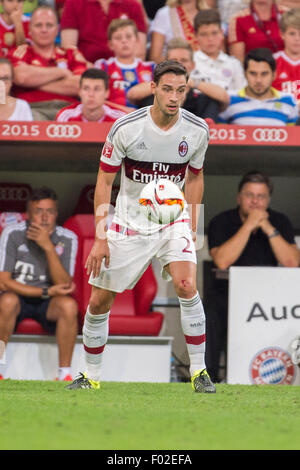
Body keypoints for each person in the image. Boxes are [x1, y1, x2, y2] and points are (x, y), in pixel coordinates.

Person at [66, 60, 216, 393]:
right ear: (153, 88)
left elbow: (196, 176)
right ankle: (89, 375)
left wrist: (192, 223)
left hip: (173, 219)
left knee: (187, 284)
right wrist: (101, 238)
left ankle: (200, 372)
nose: (174, 97)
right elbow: (104, 182)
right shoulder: (126, 127)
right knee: (100, 300)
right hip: (129, 222)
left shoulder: (197, 130)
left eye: (181, 90)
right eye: (167, 89)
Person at [205, 171, 300, 382]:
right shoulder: (221, 221)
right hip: (226, 294)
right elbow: (222, 261)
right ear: (239, 197)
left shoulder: (279, 221)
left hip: (268, 297)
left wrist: (267, 227)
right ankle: (208, 379)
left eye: (261, 197)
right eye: (250, 195)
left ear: (268, 200)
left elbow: (292, 262)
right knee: (209, 313)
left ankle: (273, 376)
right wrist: (249, 225)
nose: (255, 202)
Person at [0, 187, 79, 381]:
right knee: (7, 301)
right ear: (28, 215)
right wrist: (46, 290)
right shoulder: (13, 233)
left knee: (69, 306)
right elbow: (3, 282)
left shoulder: (68, 238)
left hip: (49, 302)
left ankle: (65, 373)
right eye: (38, 211)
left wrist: (48, 247)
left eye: (50, 211)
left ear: (56, 214)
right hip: (17, 297)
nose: (44, 217)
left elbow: (64, 284)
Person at [9, 6, 89, 120]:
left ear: (57, 30)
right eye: (38, 25)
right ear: (29, 30)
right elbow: (21, 77)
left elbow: (80, 86)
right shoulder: (21, 52)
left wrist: (33, 82)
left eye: (49, 25)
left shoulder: (71, 53)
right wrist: (62, 72)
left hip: (70, 109)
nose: (44, 29)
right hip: (32, 109)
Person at [127, 36, 229, 120]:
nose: (179, 64)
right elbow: (132, 94)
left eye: (184, 60)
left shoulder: (196, 87)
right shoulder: (156, 85)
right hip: (158, 127)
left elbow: (224, 98)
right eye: (174, 60)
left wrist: (191, 82)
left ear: (192, 65)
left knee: (211, 101)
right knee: (152, 97)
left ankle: (207, 127)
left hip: (194, 129)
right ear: (165, 63)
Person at [218, 47, 299, 125]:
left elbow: (293, 136)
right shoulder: (228, 99)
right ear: (245, 74)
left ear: (274, 75)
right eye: (253, 73)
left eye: (264, 74)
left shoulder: (288, 101)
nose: (258, 80)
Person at [60, 0, 148, 64]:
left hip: (125, 70)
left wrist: (120, 68)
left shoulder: (133, 4)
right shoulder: (73, 3)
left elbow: (139, 51)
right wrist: (94, 71)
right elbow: (69, 49)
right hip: (87, 71)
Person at [94, 18, 155, 110]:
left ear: (137, 40)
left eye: (128, 36)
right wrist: (124, 110)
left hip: (143, 120)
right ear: (110, 44)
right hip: (110, 119)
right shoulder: (103, 66)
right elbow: (95, 99)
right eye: (118, 38)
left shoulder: (151, 67)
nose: (124, 41)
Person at [190, 9, 247, 92]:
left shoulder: (234, 64)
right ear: (195, 36)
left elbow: (241, 94)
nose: (210, 39)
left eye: (214, 33)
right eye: (204, 34)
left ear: (222, 33)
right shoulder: (190, 63)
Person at [56, 68, 127, 122]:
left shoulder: (120, 119)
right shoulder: (66, 116)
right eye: (86, 88)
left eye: (97, 89)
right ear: (80, 92)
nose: (91, 94)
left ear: (107, 93)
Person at [273, 8, 300, 110]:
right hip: (280, 114)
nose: (297, 39)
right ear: (282, 34)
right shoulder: (272, 62)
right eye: (292, 33)